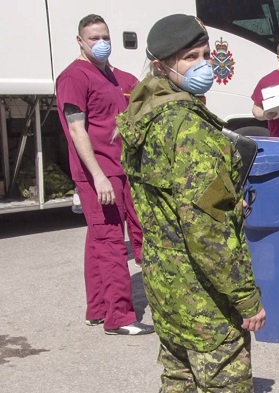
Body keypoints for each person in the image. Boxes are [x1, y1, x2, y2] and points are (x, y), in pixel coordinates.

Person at [117, 14, 266, 392]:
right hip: (203, 296)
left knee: (178, 378)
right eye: (189, 58)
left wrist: (227, 205)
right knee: (224, 381)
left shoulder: (143, 117)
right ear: (161, 65)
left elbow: (167, 204)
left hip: (165, 283)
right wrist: (246, 299)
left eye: (204, 54)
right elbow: (208, 233)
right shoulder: (191, 130)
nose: (202, 65)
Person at [56, 14, 152, 336]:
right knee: (111, 241)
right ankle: (119, 318)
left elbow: (142, 98)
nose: (102, 43)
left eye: (105, 37)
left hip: (122, 169)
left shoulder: (118, 78)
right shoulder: (74, 77)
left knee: (98, 239)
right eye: (94, 38)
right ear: (80, 41)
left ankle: (97, 309)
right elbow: (76, 128)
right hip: (99, 173)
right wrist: (97, 176)